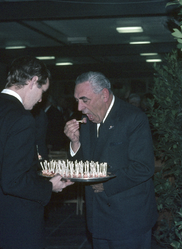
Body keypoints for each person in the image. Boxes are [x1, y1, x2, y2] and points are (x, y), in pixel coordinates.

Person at [0, 56, 73, 249]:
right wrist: (49, 187)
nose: (41, 98)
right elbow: (13, 182)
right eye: (42, 91)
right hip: (14, 228)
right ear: (33, 81)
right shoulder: (22, 119)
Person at [64, 72, 158, 249]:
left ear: (104, 95)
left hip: (128, 219)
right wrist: (75, 142)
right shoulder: (87, 122)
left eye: (85, 100)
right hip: (97, 218)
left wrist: (103, 184)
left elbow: (143, 167)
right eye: (77, 100)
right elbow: (81, 168)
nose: (79, 107)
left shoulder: (133, 118)